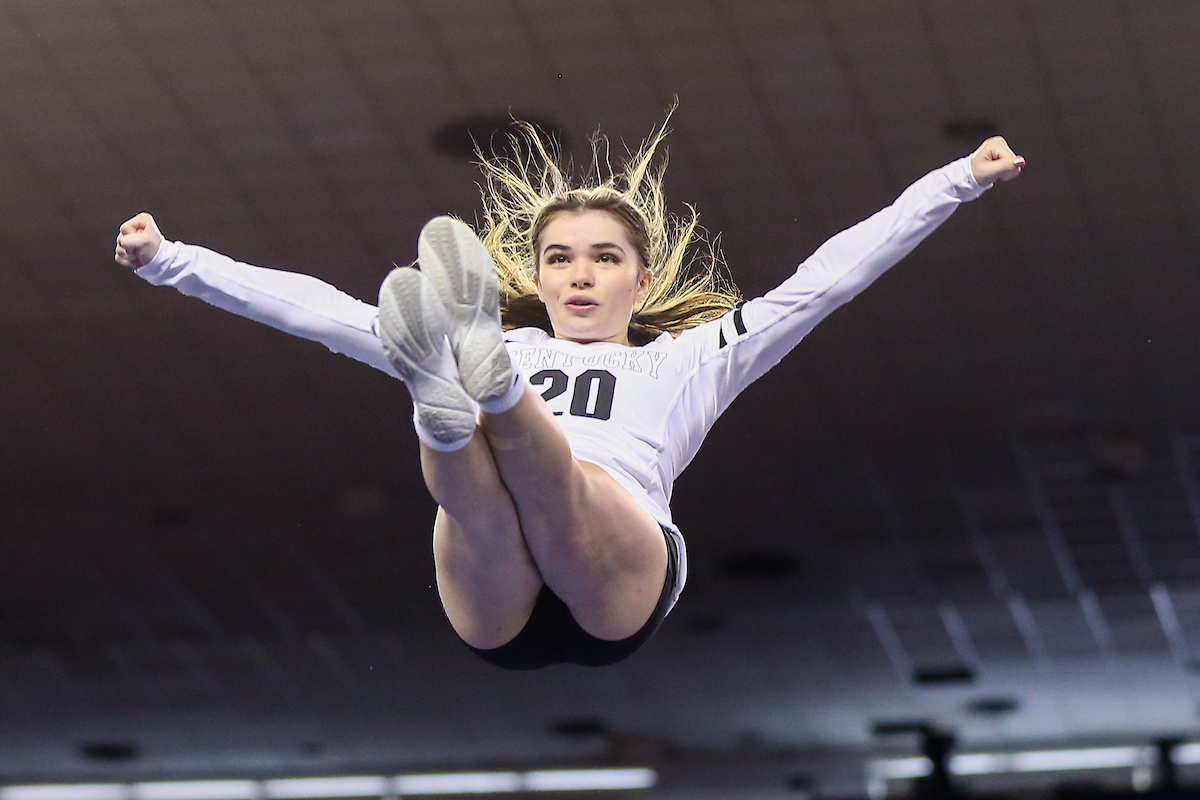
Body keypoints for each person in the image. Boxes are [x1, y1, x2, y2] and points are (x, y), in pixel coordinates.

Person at [115, 119, 1024, 670]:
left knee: (554, 491)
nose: (579, 276)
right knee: (475, 504)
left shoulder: (690, 358)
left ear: (641, 277)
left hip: (616, 572)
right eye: (559, 259)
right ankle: (455, 398)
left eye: (604, 258)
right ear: (539, 279)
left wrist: (956, 183)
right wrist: (171, 262)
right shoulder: (515, 331)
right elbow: (321, 312)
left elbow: (825, 281)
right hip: (498, 593)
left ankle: (481, 397)